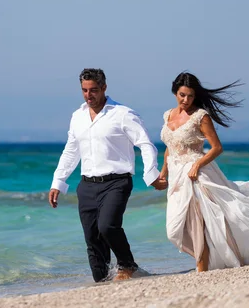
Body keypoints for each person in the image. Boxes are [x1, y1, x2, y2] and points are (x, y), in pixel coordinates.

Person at [158, 71, 249, 272]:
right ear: (175, 92)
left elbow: (217, 147)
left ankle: (201, 268)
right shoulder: (168, 115)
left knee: (198, 223)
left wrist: (197, 165)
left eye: (190, 96)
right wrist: (163, 171)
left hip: (196, 174)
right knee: (174, 229)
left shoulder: (200, 116)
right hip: (177, 175)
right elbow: (170, 146)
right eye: (182, 95)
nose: (186, 100)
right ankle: (212, 257)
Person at [48, 68, 167, 282]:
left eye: (93, 90)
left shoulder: (122, 114)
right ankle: (101, 282)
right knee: (92, 239)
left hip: (117, 182)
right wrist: (58, 181)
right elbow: (71, 150)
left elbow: (145, 144)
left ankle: (128, 266)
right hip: (86, 185)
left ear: (104, 87)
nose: (88, 95)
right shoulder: (78, 117)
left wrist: (151, 174)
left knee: (107, 226)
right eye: (84, 90)